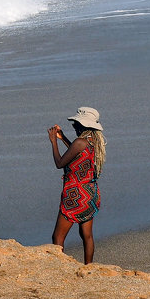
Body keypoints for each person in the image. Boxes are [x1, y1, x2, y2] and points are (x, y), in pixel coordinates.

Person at [48, 106, 106, 263]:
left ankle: (60, 267)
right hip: (90, 193)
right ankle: (89, 267)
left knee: (58, 236)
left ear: (83, 125)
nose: (74, 126)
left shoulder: (80, 142)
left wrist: (54, 142)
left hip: (75, 196)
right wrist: (64, 138)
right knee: (87, 236)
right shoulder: (95, 141)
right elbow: (77, 152)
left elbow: (60, 163)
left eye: (76, 123)